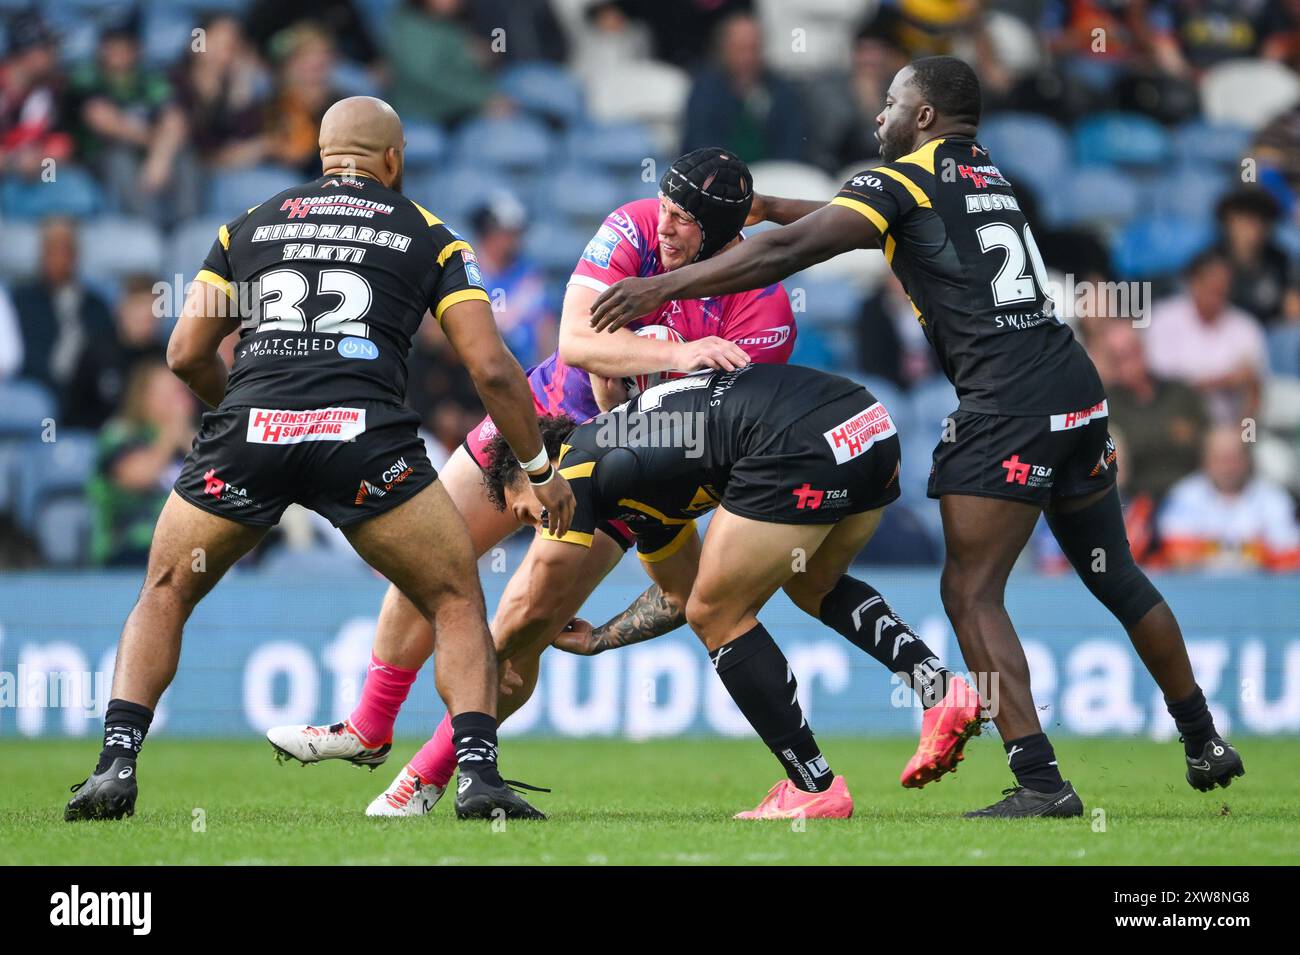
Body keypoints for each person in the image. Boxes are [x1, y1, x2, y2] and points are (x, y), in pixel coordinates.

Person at [588, 56, 1245, 817]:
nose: (880, 116)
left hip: (1005, 405)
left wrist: (658, 286)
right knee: (1115, 573)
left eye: (894, 102)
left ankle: (1040, 782)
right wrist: (769, 202)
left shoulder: (900, 178)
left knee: (969, 589)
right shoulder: (984, 175)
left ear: (925, 115)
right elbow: (871, 226)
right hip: (1074, 387)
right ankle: (1202, 737)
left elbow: (792, 253)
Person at [63, 96, 571, 823]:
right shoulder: (429, 233)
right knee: (454, 596)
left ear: (324, 156)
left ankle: (116, 762)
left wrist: (239, 416)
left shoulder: (249, 223)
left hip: (250, 432)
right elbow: (491, 369)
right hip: (363, 441)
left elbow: (184, 353)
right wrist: (540, 469)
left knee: (166, 588)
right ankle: (477, 778)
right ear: (392, 160)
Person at [265, 148, 798, 813]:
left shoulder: (766, 309)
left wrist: (607, 630)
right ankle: (369, 724)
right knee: (426, 551)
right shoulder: (633, 225)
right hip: (537, 416)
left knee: (519, 628)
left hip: (624, 466)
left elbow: (711, 432)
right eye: (666, 207)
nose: (667, 227)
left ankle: (425, 776)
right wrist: (677, 355)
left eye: (686, 220)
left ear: (724, 233)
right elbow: (576, 341)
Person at [480, 364, 980, 819]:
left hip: (796, 439)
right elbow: (681, 594)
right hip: (866, 426)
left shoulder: (571, 466)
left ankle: (812, 787)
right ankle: (938, 688)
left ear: (529, 472)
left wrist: (483, 656)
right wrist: (600, 638)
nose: (536, 523)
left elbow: (534, 601)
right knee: (812, 583)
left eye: (524, 509)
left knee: (718, 614)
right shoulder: (636, 485)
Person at [87, 360, 195, 567]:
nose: (177, 402)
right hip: (131, 551)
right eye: (167, 395)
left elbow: (226, 484)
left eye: (180, 393)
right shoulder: (119, 436)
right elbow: (141, 476)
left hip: (191, 551)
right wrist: (171, 434)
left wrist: (191, 439)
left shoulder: (195, 439)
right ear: (143, 398)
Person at [1145, 250, 1269, 426]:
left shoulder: (1246, 327)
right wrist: (1225, 380)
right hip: (1174, 424)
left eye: (1223, 284)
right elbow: (1162, 388)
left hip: (1228, 428)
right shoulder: (1163, 319)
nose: (1218, 288)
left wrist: (1241, 436)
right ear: (1193, 282)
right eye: (1211, 281)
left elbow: (1255, 390)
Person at [1159, 426, 1300, 573]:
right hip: (1200, 591)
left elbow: (1288, 559)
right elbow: (1179, 557)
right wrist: (1254, 551)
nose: (1227, 467)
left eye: (1233, 458)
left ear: (1247, 460)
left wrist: (1207, 551)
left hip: (1261, 591)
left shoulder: (1274, 498)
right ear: (1205, 460)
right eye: (1219, 459)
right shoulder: (1184, 496)